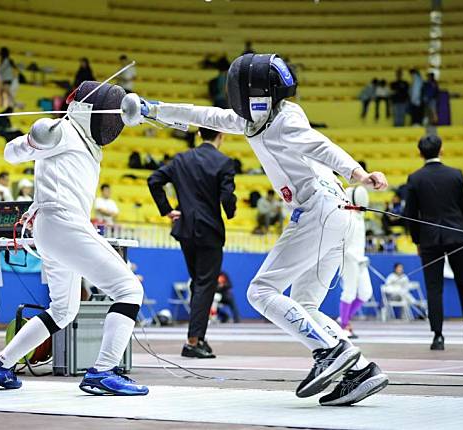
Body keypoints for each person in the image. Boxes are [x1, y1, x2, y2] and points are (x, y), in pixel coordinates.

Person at [136, 53, 389, 405]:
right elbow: (199, 114)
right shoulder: (254, 121)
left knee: (260, 292)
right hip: (335, 212)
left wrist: (358, 173)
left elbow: (320, 145)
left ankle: (329, 352)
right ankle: (360, 370)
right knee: (305, 306)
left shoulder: (286, 120)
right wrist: (151, 108)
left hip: (318, 210)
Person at [0, 80, 148, 396]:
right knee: (129, 289)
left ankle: (0, 364)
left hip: (52, 228)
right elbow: (10, 152)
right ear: (88, 111)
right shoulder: (64, 131)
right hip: (63, 224)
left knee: (63, 310)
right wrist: (33, 140)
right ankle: (103, 370)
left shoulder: (84, 140)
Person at [148, 127, 237, 359]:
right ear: (221, 136)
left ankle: (198, 336)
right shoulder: (224, 162)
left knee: (198, 283)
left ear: (199, 135)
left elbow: (154, 179)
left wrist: (167, 210)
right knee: (205, 284)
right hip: (209, 230)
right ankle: (193, 341)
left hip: (185, 229)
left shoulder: (181, 158)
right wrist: (231, 210)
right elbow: (227, 197)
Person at [404, 135, 463, 351]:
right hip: (457, 236)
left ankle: (438, 337)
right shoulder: (456, 174)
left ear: (420, 153)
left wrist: (417, 240)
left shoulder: (415, 178)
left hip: (430, 240)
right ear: (442, 150)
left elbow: (410, 214)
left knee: (434, 288)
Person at [339, 185, 373, 338]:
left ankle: (343, 317)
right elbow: (342, 243)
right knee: (349, 292)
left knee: (366, 293)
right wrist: (356, 258)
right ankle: (344, 326)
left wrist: (362, 258)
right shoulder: (345, 217)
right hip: (349, 259)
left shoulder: (359, 217)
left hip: (360, 260)